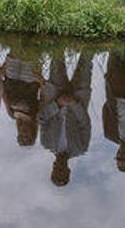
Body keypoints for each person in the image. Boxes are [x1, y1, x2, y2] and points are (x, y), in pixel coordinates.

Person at [39, 49, 93, 187]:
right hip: (78, 98)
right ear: (68, 170)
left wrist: (58, 103)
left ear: (53, 168)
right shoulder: (81, 148)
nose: (60, 168)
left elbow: (43, 119)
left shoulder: (46, 142)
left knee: (57, 57)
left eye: (57, 170)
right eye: (63, 171)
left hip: (56, 95)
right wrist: (74, 104)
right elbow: (85, 124)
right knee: (86, 61)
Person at [1, 36, 44, 146]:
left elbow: (4, 95)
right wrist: (41, 80)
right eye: (27, 136)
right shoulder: (36, 116)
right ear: (33, 133)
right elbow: (44, 97)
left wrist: (0, 75)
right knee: (31, 50)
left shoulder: (12, 115)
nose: (23, 133)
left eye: (21, 136)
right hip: (30, 81)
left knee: (15, 48)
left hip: (11, 79)